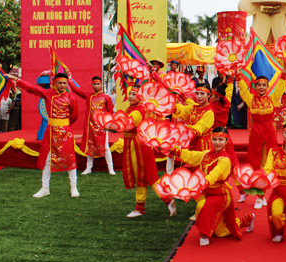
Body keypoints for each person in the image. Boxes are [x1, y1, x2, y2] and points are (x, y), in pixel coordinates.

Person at [169, 127, 255, 246]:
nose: (217, 143)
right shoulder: (207, 154)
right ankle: (248, 219)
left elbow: (214, 175)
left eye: (221, 140)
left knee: (202, 206)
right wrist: (178, 151)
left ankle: (204, 234)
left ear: (226, 142)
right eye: (214, 139)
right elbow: (193, 156)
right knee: (221, 232)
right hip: (207, 192)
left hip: (221, 195)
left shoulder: (225, 160)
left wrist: (202, 183)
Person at [5, 72, 79, 198]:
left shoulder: (72, 98)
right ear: (55, 83)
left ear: (67, 84)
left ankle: (74, 187)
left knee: (69, 159)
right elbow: (32, 88)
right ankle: (45, 188)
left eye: (64, 83)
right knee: (47, 160)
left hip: (66, 133)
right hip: (51, 133)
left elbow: (74, 116)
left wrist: (64, 125)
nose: (62, 85)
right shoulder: (48, 94)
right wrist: (16, 79)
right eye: (60, 83)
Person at [237, 66, 286, 209]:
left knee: (268, 164)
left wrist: (284, 70)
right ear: (255, 86)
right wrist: (238, 74)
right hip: (255, 133)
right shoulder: (250, 99)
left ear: (267, 87)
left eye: (264, 85)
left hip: (269, 133)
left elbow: (280, 87)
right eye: (258, 85)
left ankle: (261, 196)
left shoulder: (272, 98)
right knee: (255, 163)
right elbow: (242, 90)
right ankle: (258, 194)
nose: (261, 87)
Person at [122, 84, 176, 218]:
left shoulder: (137, 111)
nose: (130, 96)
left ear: (140, 97)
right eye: (130, 93)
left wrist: (111, 126)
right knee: (145, 178)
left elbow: (127, 124)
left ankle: (166, 200)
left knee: (148, 178)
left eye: (134, 94)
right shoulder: (137, 108)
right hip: (138, 145)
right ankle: (141, 207)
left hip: (138, 146)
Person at [70, 76, 115, 175]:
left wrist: (108, 125)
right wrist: (69, 80)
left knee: (106, 147)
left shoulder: (106, 97)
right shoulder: (89, 96)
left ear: (101, 85)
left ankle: (111, 168)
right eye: (94, 84)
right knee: (90, 146)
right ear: (92, 85)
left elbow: (110, 112)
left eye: (98, 84)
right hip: (90, 126)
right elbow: (76, 90)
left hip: (102, 127)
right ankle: (88, 168)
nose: (96, 86)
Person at [169, 83, 215, 173]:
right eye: (197, 93)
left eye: (202, 94)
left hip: (202, 143)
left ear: (209, 95)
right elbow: (182, 110)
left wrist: (187, 132)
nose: (199, 96)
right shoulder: (193, 107)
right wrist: (170, 106)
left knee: (199, 167)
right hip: (190, 139)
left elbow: (200, 127)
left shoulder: (209, 112)